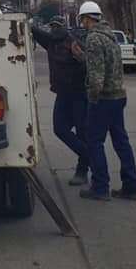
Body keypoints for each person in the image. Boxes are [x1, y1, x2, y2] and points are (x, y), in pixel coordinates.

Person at [73, 1, 136, 202]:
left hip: (103, 98)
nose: (83, 24)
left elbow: (97, 74)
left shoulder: (93, 38)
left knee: (94, 142)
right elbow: (105, 64)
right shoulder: (110, 36)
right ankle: (132, 186)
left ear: (87, 18)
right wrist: (82, 56)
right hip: (118, 95)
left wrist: (92, 98)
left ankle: (100, 187)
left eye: (83, 20)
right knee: (121, 142)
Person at [31, 14, 89, 185]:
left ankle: (83, 170)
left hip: (79, 94)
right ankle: (89, 155)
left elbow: (88, 64)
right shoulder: (50, 42)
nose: (55, 29)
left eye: (58, 26)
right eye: (53, 26)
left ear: (65, 27)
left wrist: (80, 58)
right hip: (63, 94)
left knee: (82, 133)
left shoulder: (74, 42)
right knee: (59, 129)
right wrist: (23, 22)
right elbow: (35, 31)